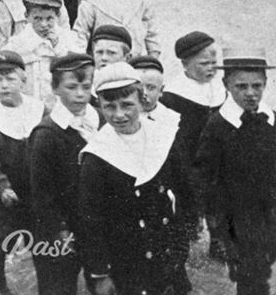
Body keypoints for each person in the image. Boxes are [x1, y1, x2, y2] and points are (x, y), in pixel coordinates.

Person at [78, 62, 193, 295]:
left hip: (166, 253)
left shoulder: (162, 138)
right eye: (109, 107)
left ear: (142, 101)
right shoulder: (97, 156)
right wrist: (100, 274)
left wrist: (181, 243)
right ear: (100, 105)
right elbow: (91, 221)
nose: (119, 115)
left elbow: (185, 192)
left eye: (127, 105)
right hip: (125, 261)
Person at [194, 47, 276, 295]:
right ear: (226, 84)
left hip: (270, 213)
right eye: (241, 87)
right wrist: (217, 226)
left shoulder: (270, 119)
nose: (251, 94)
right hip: (237, 218)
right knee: (251, 278)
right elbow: (204, 178)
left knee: (264, 268)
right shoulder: (218, 125)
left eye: (257, 86)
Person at [27, 52, 99, 295]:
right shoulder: (46, 134)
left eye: (86, 86)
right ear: (55, 88)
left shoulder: (96, 120)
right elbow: (42, 195)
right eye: (71, 87)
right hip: (58, 228)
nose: (80, 94)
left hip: (93, 224)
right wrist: (60, 231)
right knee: (58, 285)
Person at [0, 51, 44, 295]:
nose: (4, 85)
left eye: (10, 79)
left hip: (36, 189)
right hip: (6, 193)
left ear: (23, 80)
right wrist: (1, 186)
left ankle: (46, 278)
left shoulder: (38, 109)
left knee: (40, 237)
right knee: (1, 240)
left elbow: (47, 148)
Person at [160, 30, 225, 253]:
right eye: (204, 64)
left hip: (215, 156)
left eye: (214, 63)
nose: (211, 69)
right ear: (185, 64)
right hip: (187, 155)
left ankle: (218, 241)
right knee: (188, 197)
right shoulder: (174, 95)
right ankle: (186, 236)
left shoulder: (218, 88)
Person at [3, 0, 81, 107]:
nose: (44, 24)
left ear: (58, 16)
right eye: (37, 19)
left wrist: (57, 46)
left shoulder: (67, 39)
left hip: (59, 108)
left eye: (49, 18)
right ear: (26, 16)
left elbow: (78, 70)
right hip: (28, 107)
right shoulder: (17, 43)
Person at [131, 55, 181, 129]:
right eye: (138, 88)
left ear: (161, 90)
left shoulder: (175, 121)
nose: (144, 93)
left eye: (151, 88)